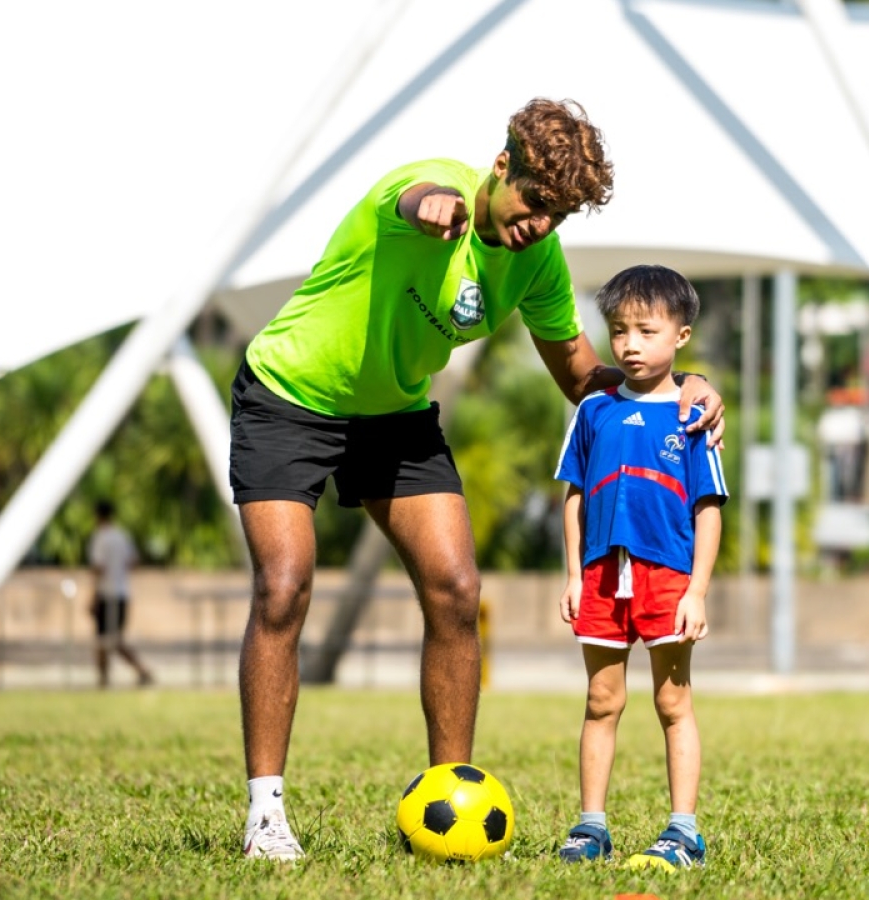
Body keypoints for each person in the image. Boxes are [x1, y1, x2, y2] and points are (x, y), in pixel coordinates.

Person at [228, 98, 725, 861]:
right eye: (534, 202)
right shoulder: (432, 189)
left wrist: (682, 387)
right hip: (289, 396)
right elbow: (409, 197)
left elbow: (582, 374)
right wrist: (429, 209)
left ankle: (448, 799)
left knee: (457, 588)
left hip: (394, 413)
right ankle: (266, 815)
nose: (540, 226)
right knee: (285, 584)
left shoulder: (537, 261)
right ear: (502, 168)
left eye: (559, 215)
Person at [552, 265, 726, 871]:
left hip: (668, 580)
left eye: (646, 331)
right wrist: (574, 574)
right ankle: (591, 826)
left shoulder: (693, 414)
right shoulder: (594, 410)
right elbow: (572, 495)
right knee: (601, 700)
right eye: (619, 330)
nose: (629, 344)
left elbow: (708, 511)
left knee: (673, 702)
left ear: (680, 335)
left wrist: (697, 591)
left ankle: (684, 831)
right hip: (601, 576)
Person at [88, 500, 154, 689]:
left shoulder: (100, 537)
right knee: (113, 639)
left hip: (106, 594)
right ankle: (134, 672)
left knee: (105, 640)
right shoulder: (122, 536)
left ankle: (106, 679)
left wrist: (92, 596)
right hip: (122, 593)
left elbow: (98, 568)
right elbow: (133, 561)